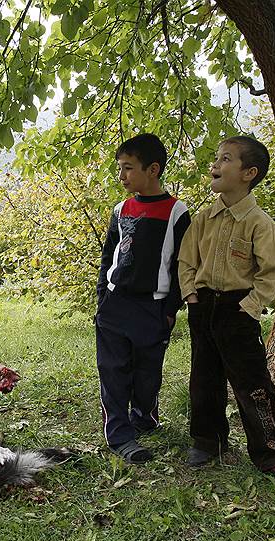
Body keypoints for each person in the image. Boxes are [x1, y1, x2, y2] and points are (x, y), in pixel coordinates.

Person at [178, 135, 275, 488]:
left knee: (253, 386)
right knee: (204, 379)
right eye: (217, 158)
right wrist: (190, 293)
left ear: (249, 173)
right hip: (204, 308)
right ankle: (208, 442)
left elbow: (273, 274)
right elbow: (187, 259)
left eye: (225, 159)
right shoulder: (204, 217)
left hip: (238, 311)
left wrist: (248, 307)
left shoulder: (259, 223)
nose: (215, 164)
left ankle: (274, 456)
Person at [95, 133, 191, 464]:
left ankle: (145, 416)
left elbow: (183, 264)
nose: (121, 176)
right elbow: (109, 255)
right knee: (113, 371)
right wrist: (101, 298)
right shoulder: (121, 209)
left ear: (153, 169)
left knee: (148, 375)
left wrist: (169, 309)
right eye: (119, 168)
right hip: (115, 305)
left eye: (128, 168)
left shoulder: (177, 212)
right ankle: (120, 435)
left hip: (153, 307)